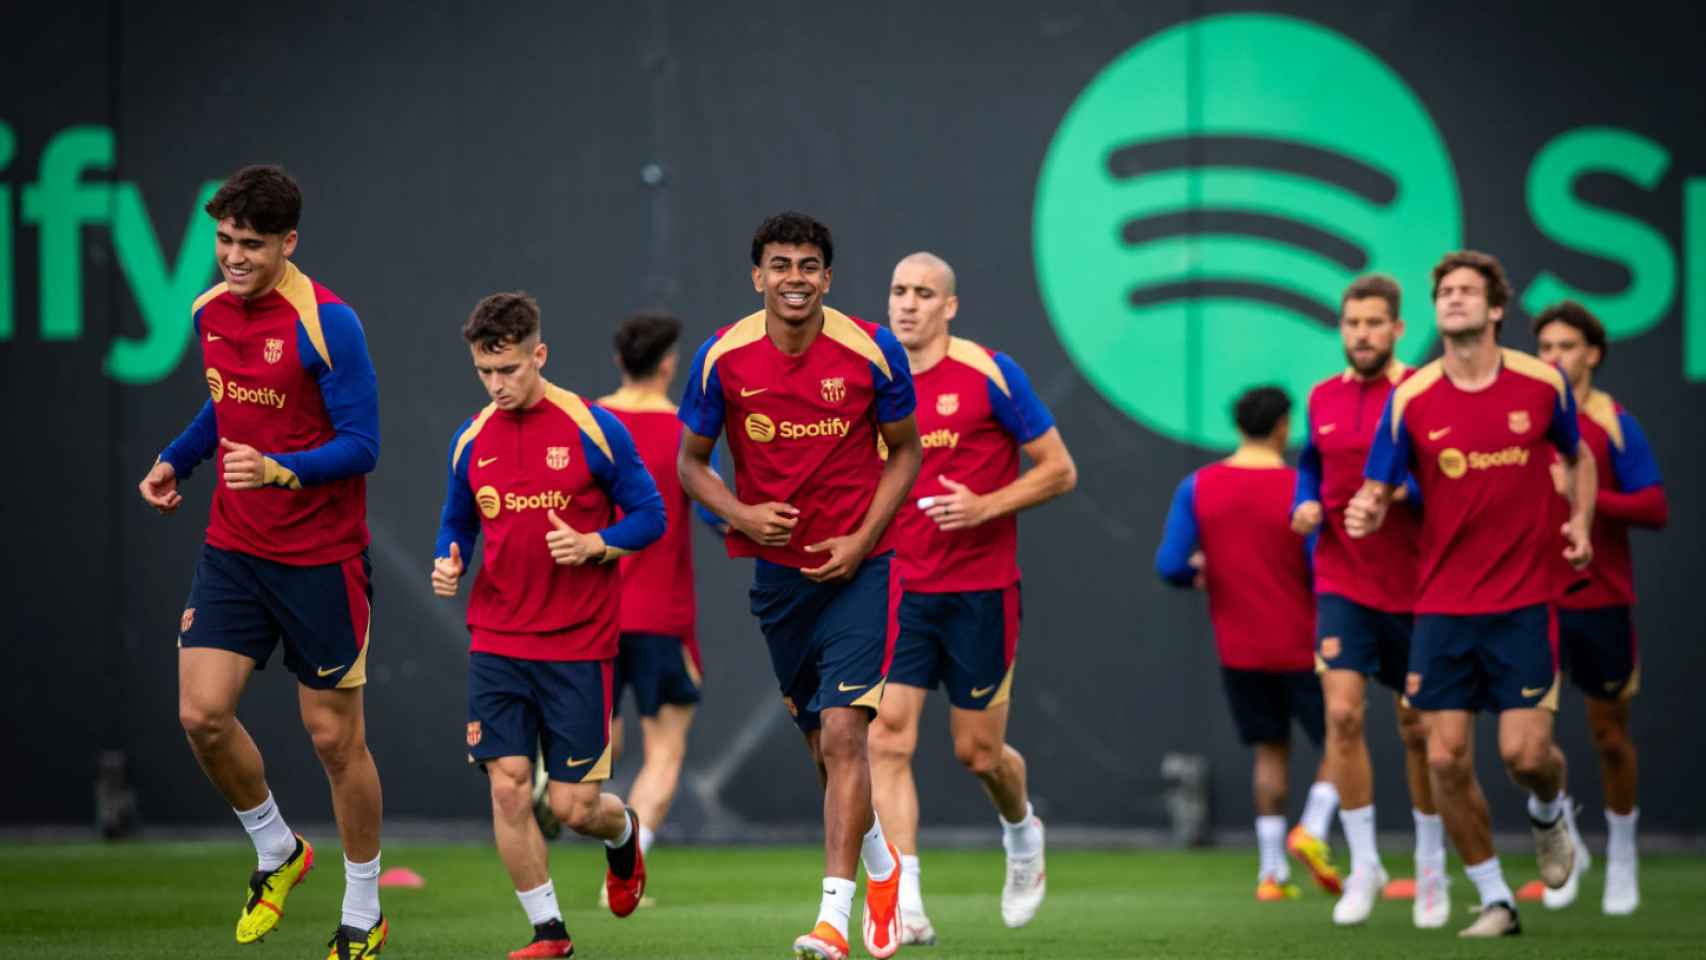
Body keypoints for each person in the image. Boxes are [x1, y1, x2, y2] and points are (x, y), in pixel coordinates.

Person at [138, 164, 387, 958]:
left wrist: (285, 468)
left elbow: (363, 445)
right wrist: (178, 457)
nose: (233, 257)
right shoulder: (210, 310)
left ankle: (364, 905)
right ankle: (278, 848)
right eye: (223, 240)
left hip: (320, 559)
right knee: (201, 715)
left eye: (251, 243)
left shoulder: (329, 323)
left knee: (332, 741)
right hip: (235, 548)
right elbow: (229, 402)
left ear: (289, 242)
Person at [676, 212, 921, 960]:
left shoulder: (873, 349)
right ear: (757, 276)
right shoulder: (723, 357)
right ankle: (880, 867)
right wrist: (742, 512)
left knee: (849, 734)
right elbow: (690, 464)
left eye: (808, 265)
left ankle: (832, 921)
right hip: (780, 583)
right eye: (779, 265)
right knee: (822, 748)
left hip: (863, 569)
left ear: (828, 277)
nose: (794, 278)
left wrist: (862, 540)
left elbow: (905, 453)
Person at [1347, 250, 1595, 938]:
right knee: (1446, 758)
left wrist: (1577, 521)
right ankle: (1496, 899)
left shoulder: (1541, 383)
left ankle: (1550, 811)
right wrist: (1367, 510)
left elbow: (1578, 458)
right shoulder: (1412, 396)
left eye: (1467, 291)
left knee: (1525, 757)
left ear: (1493, 310)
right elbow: (1379, 484)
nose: (1453, 299)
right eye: (1445, 292)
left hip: (1522, 603)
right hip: (1442, 606)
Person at [432, 292, 666, 959]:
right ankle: (549, 932)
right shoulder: (471, 438)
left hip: (577, 646)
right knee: (507, 785)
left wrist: (594, 544)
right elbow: (458, 520)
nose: (497, 385)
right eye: (485, 371)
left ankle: (623, 841)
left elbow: (651, 516)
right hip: (497, 643)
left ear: (539, 354)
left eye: (509, 369)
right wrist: (449, 558)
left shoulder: (593, 428)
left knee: (573, 808)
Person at [868, 252, 1077, 944]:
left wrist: (987, 505)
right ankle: (909, 902)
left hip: (982, 591)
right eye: (899, 291)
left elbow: (1059, 470)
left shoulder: (991, 373)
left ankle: (1022, 833)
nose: (907, 304)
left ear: (949, 306)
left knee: (979, 755)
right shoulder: (872, 378)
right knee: (887, 739)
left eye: (923, 294)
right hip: (901, 585)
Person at [1292, 274, 1447, 927]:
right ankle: (1364, 867)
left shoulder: (1424, 394)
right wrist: (1302, 499)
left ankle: (1433, 868)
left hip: (1417, 587)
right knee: (1345, 720)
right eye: (1353, 323)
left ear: (1398, 329)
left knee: (1418, 732)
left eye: (1374, 323)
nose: (1361, 334)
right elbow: (1312, 462)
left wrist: (1394, 495)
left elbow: (1445, 476)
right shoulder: (1322, 396)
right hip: (1342, 581)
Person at [1157, 386, 1341, 902]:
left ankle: (1271, 872)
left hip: (1240, 648)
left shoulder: (1200, 485)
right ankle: (1312, 828)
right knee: (1341, 744)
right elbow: (1317, 565)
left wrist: (1204, 570)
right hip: (1305, 643)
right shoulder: (1299, 490)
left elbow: (1171, 564)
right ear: (1283, 426)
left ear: (1239, 426)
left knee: (1269, 751)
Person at [1533, 300, 1667, 914]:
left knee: (1609, 736)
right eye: (1545, 347)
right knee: (1530, 745)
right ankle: (1563, 839)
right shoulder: (1524, 419)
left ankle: (1621, 855)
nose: (1555, 356)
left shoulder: (1616, 424)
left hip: (1601, 597)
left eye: (1566, 346)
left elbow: (1654, 508)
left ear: (1593, 354)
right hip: (1532, 600)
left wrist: (1585, 498)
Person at [594, 311, 712, 899]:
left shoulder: (587, 423)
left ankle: (553, 784)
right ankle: (627, 866)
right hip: (663, 617)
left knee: (599, 746)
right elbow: (719, 513)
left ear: (619, 360)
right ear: (669, 364)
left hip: (593, 616)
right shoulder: (686, 432)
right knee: (664, 751)